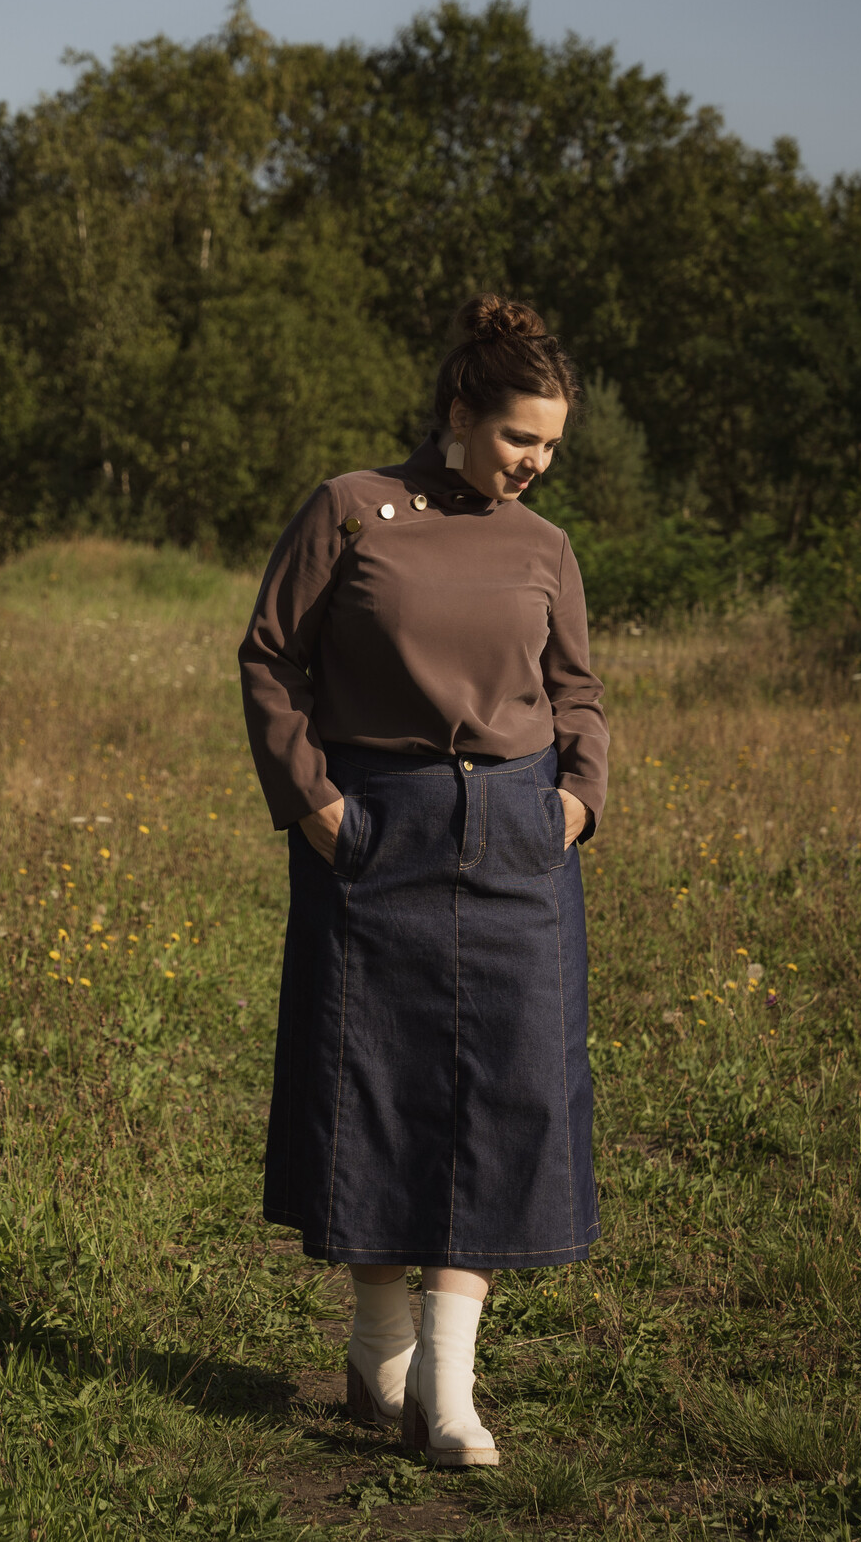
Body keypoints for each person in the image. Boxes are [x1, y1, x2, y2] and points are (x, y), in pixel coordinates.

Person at [237, 294, 609, 1466]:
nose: (534, 465)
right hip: (375, 828)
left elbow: (577, 690)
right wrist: (313, 803)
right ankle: (376, 1342)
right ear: (458, 413)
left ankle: (446, 1391)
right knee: (376, 1086)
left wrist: (575, 799)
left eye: (548, 445)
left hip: (514, 839)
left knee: (502, 1098)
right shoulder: (352, 510)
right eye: (517, 438)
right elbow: (267, 657)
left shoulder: (544, 548)